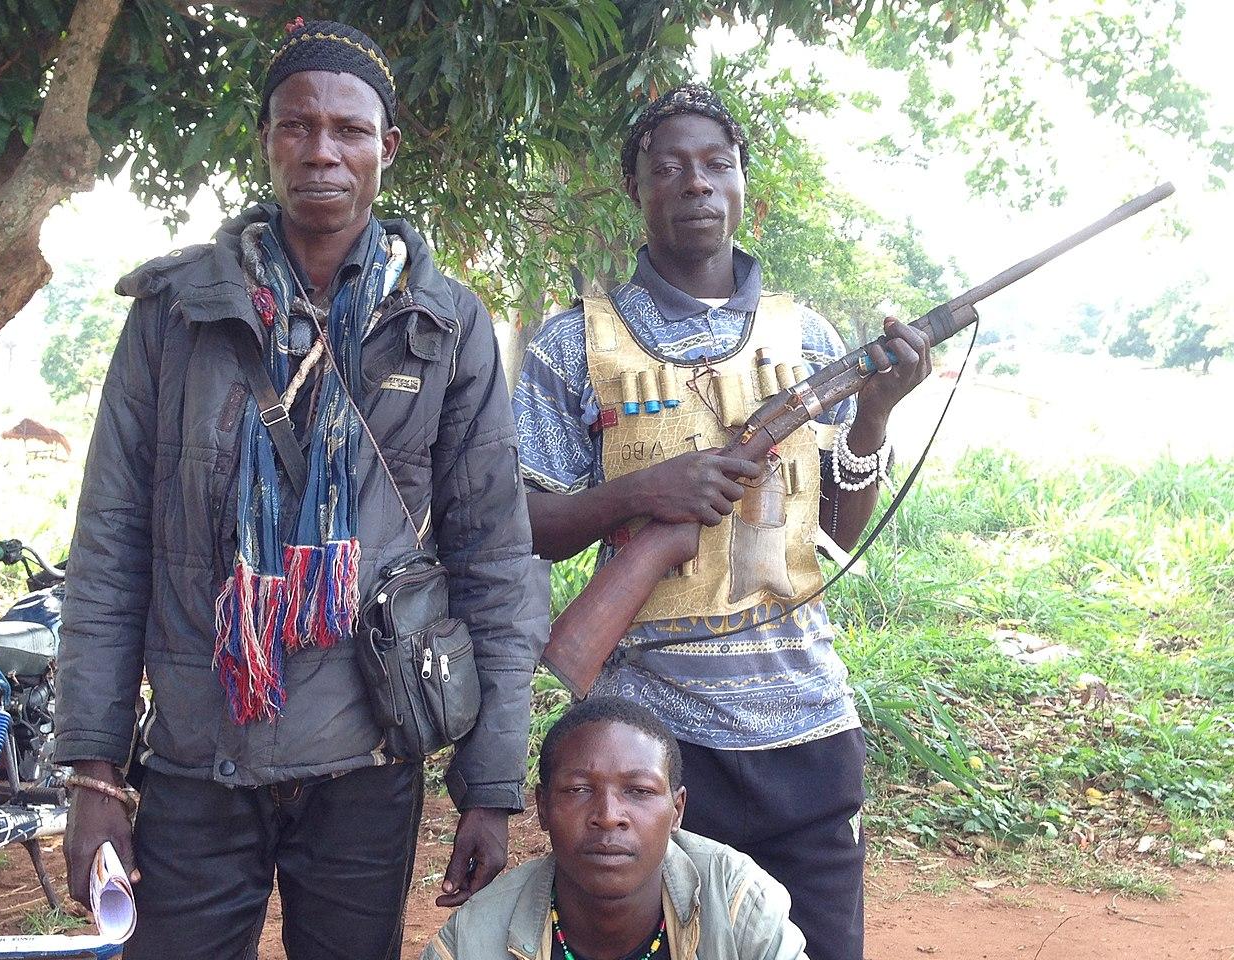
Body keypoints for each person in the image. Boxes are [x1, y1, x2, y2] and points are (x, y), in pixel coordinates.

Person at [54, 19, 546, 960]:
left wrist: (488, 788)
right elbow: (111, 544)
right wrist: (94, 774)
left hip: (368, 753)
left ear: (385, 148)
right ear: (268, 140)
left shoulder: (442, 324)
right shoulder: (176, 313)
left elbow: (494, 555)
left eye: (349, 129)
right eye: (297, 125)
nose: (322, 150)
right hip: (197, 752)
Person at [512, 84, 932, 960]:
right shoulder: (572, 343)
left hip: (807, 728)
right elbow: (525, 523)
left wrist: (875, 414)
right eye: (669, 167)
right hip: (652, 748)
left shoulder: (808, 336)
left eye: (716, 164)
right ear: (634, 188)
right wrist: (645, 493)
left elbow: (835, 532)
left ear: (743, 183)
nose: (696, 183)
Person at [423, 696, 809, 960]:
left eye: (639, 791)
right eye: (579, 789)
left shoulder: (737, 904)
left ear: (676, 811)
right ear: (542, 807)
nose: (608, 816)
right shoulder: (477, 936)